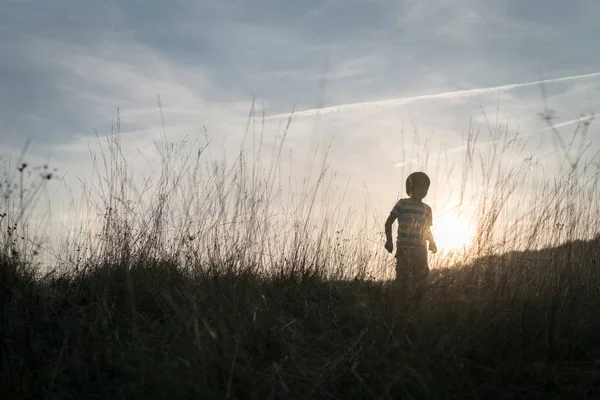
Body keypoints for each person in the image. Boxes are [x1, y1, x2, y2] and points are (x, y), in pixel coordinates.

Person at [384, 172, 437, 293]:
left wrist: (432, 242)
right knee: (402, 279)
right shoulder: (402, 203)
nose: (423, 190)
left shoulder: (427, 209)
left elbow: (426, 230)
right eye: (420, 187)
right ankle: (400, 305)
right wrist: (389, 241)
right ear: (411, 188)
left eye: (426, 188)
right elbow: (388, 223)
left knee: (422, 278)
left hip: (421, 249)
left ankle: (416, 306)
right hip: (404, 248)